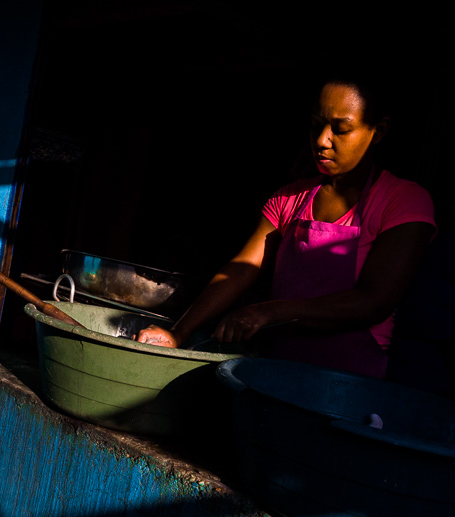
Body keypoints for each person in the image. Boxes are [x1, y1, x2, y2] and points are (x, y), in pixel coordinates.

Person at [136, 71, 436, 379]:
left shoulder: (404, 201)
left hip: (351, 387)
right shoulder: (290, 198)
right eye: (316, 125)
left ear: (379, 130)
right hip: (275, 375)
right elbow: (240, 269)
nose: (321, 140)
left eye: (341, 129)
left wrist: (269, 312)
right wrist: (178, 332)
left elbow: (374, 301)